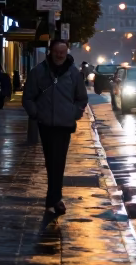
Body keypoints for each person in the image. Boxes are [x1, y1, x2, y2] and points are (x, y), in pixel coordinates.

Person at [23, 38, 88, 217]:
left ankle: (54, 198)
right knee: (51, 160)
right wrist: (36, 113)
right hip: (46, 124)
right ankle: (54, 198)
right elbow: (28, 97)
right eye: (57, 51)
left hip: (64, 124)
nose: (60, 55)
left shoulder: (74, 74)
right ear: (50, 51)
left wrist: (74, 113)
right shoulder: (38, 72)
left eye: (63, 52)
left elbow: (82, 98)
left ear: (67, 52)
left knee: (58, 161)